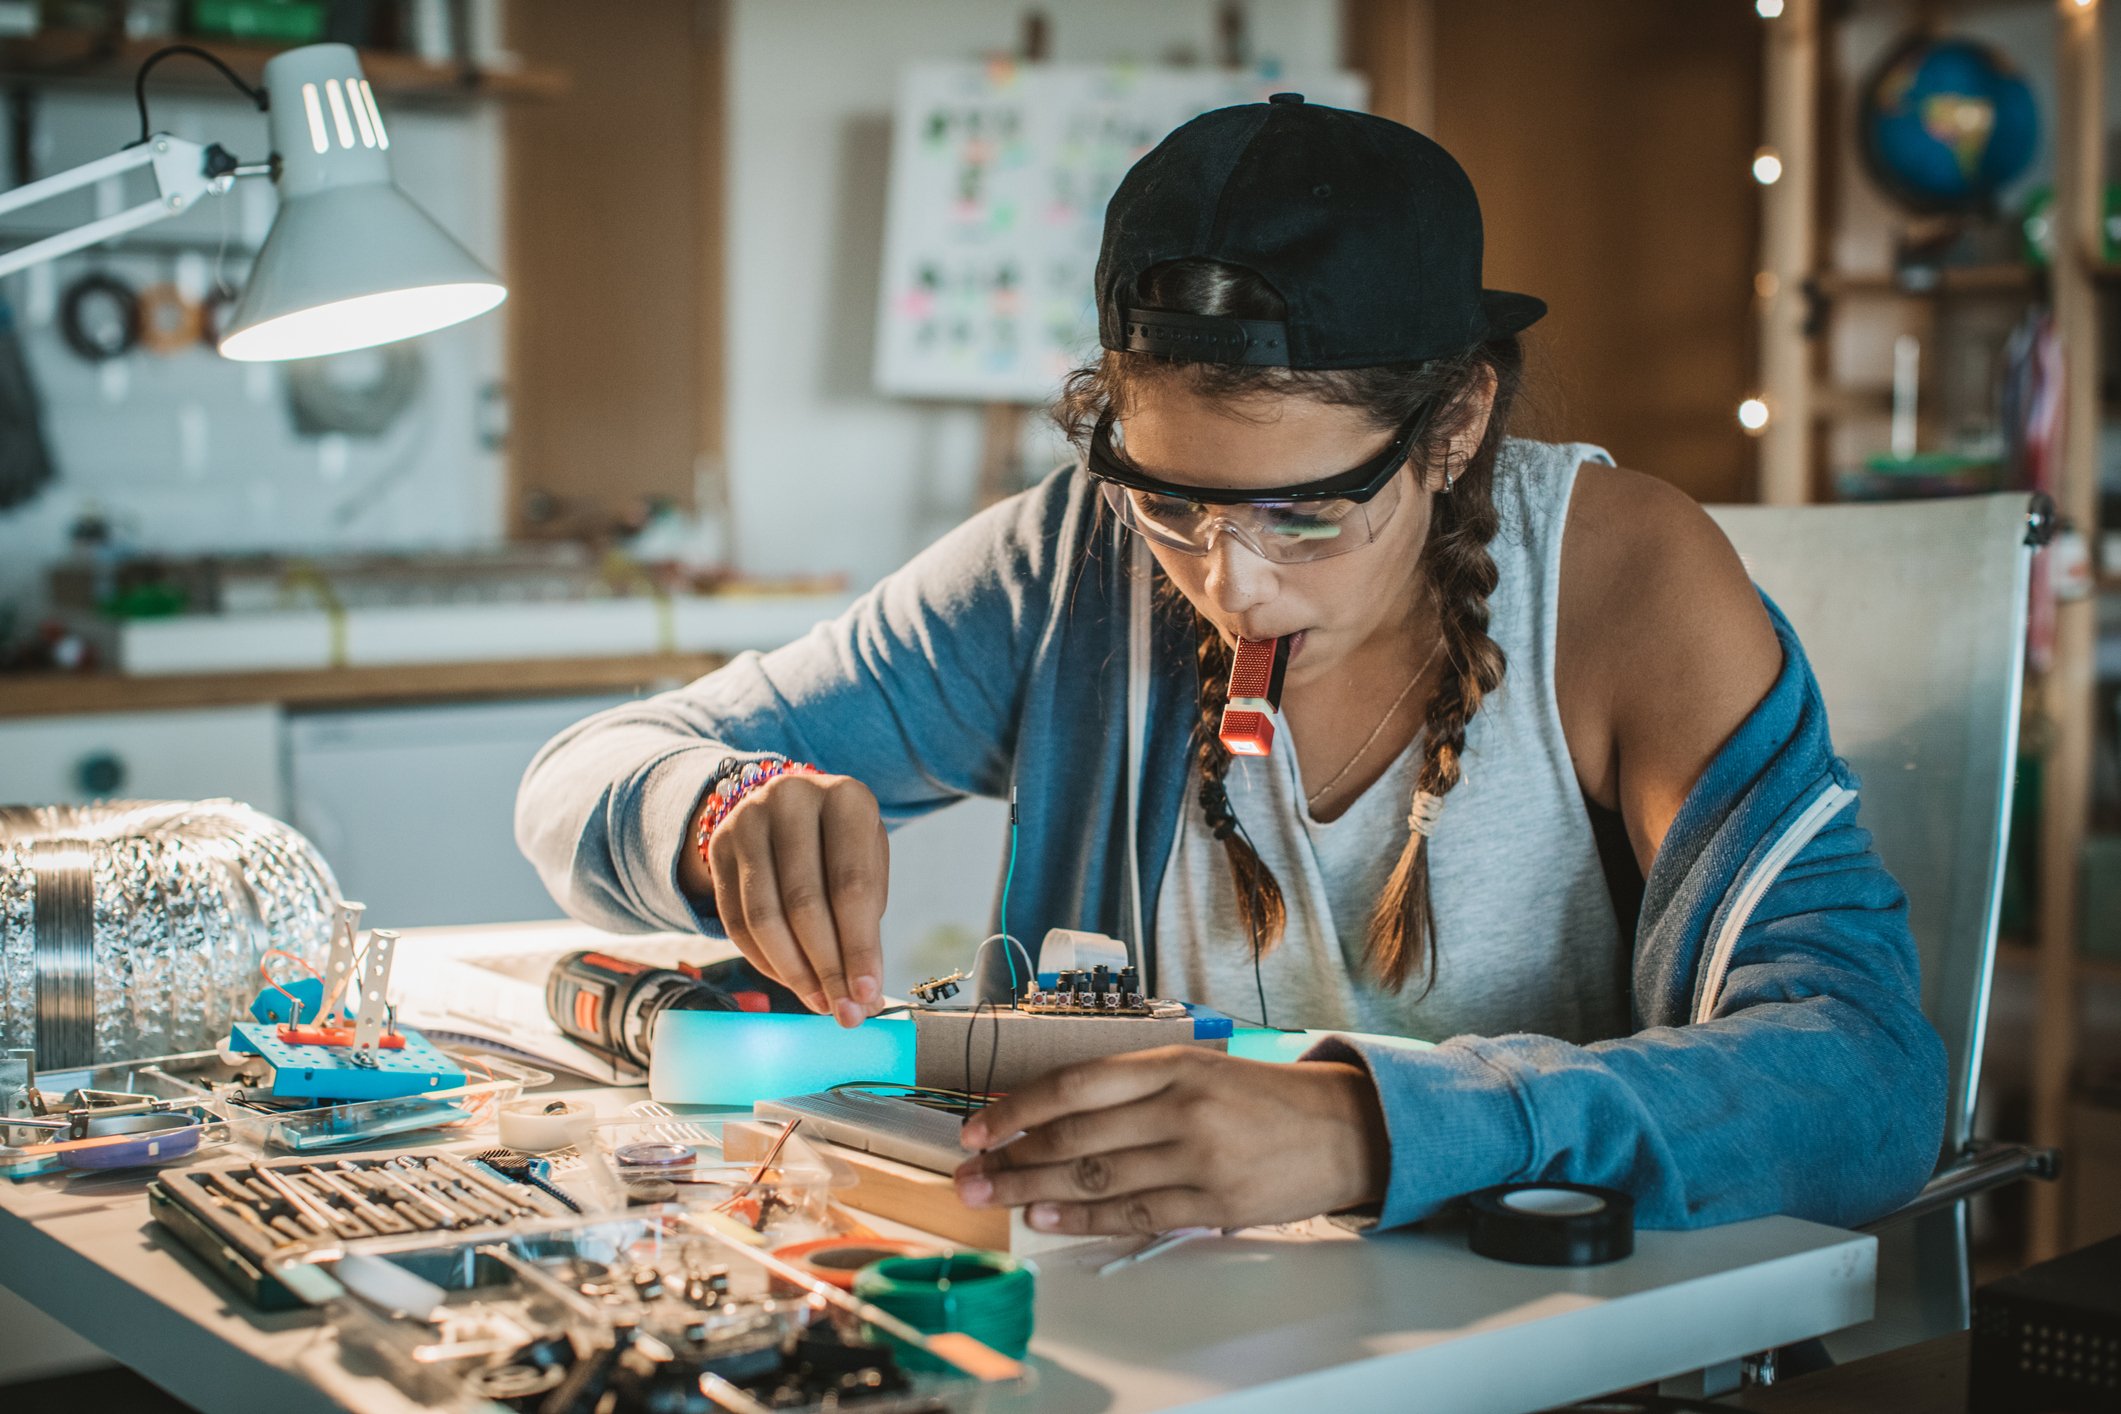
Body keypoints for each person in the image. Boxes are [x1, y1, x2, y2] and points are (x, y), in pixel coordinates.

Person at [518, 96, 1945, 1239]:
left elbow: (1866, 1076)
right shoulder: (1072, 561)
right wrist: (713, 813)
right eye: (1170, 501)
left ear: (1453, 421)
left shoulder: (1623, 579)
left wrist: (1366, 1126)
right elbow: (579, 774)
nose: (1227, 579)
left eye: (1304, 512)